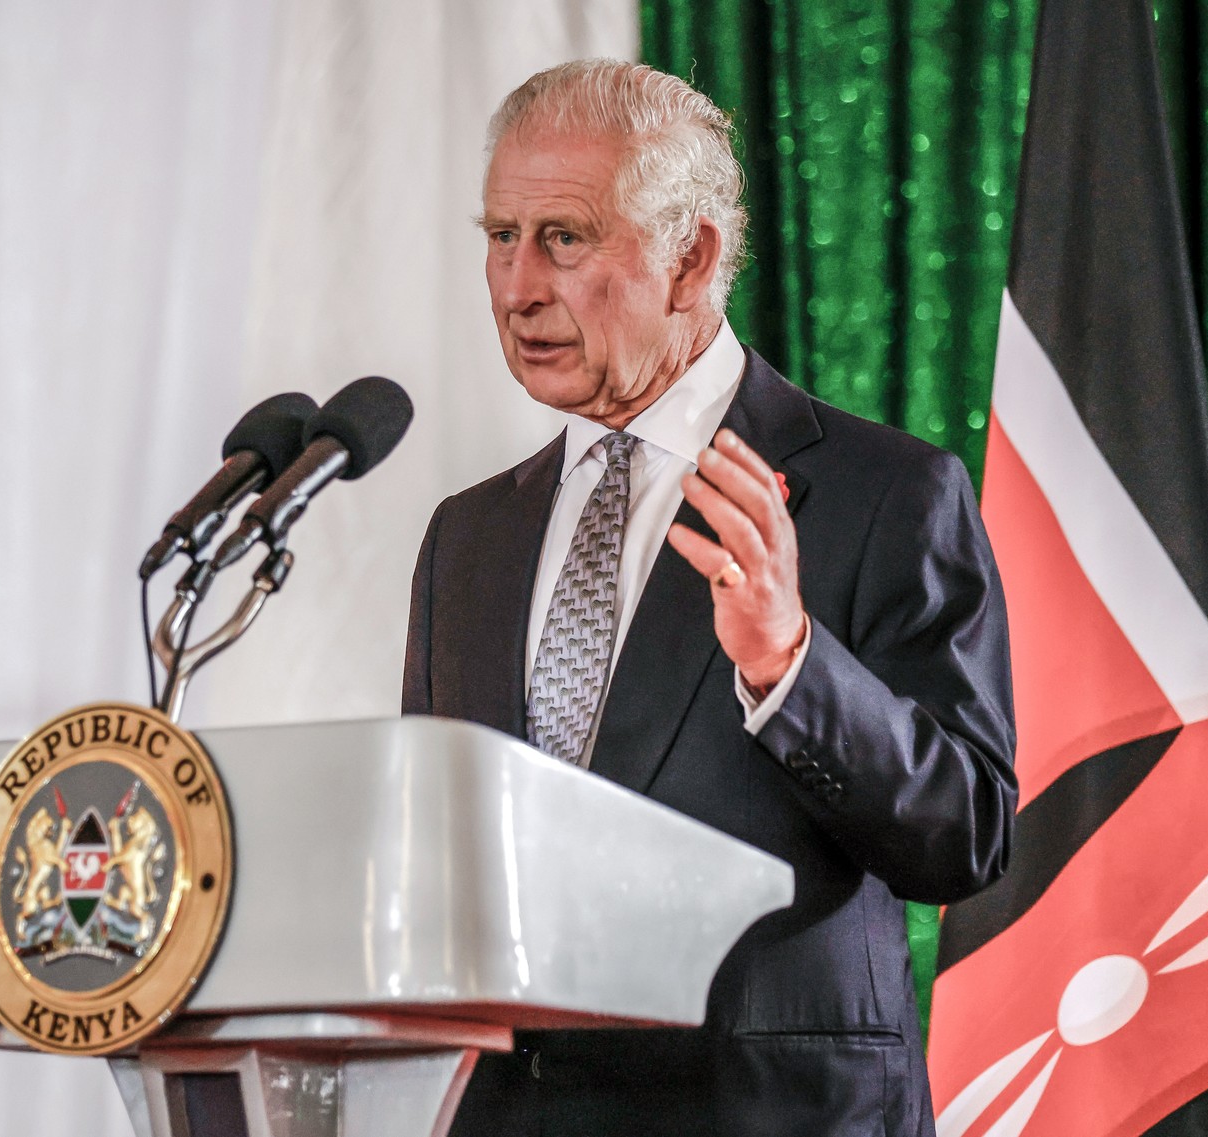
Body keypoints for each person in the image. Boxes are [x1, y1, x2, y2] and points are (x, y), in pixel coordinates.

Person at [402, 59, 1017, 1136]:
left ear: (689, 259)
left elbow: (964, 836)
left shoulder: (885, 494)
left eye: (564, 238)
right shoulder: (469, 536)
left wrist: (790, 663)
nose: (517, 286)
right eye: (501, 236)